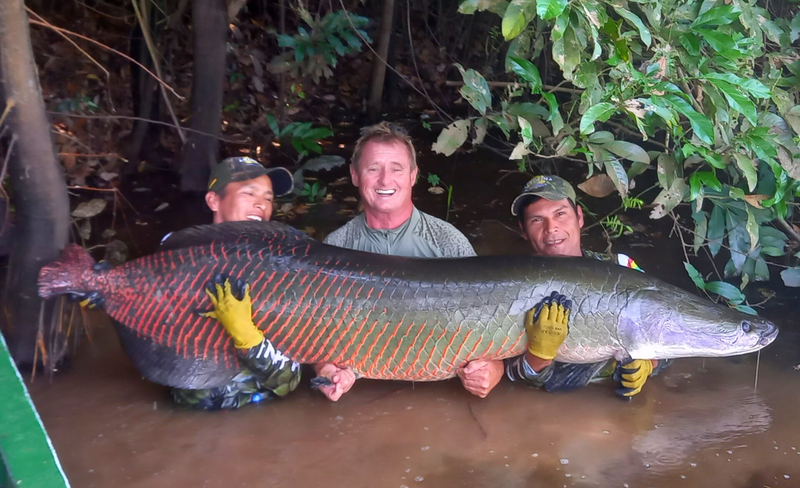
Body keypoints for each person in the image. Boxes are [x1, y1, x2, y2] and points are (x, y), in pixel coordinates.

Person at [77, 156, 300, 410]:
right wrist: (106, 297)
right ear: (213, 201)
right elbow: (151, 325)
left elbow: (288, 382)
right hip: (188, 407)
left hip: (258, 409)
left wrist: (245, 333)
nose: (262, 204)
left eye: (269, 198)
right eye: (249, 193)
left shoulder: (282, 267)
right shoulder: (178, 254)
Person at [316, 121, 498, 401]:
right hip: (361, 391)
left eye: (396, 169)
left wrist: (493, 370)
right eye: (373, 169)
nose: (385, 181)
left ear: (413, 176)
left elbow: (489, 320)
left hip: (439, 392)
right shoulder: (335, 248)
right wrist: (326, 371)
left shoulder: (448, 242)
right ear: (355, 175)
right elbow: (317, 331)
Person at [471, 175, 666, 398]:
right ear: (523, 230)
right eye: (537, 220)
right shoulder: (509, 284)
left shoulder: (621, 267)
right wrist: (539, 356)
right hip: (549, 411)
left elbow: (670, 331)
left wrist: (650, 364)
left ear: (579, 217)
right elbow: (508, 374)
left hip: (613, 404)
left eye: (560, 214)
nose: (551, 228)